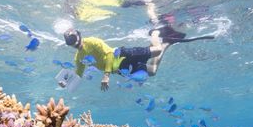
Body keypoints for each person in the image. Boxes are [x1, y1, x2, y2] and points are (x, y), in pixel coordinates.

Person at [63, 27, 214, 91]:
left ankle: (155, 32)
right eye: (71, 43)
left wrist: (106, 75)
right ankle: (168, 42)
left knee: (157, 50)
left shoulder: (92, 42)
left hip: (124, 55)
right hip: (121, 69)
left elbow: (109, 54)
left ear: (79, 35)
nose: (75, 44)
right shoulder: (79, 58)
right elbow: (78, 74)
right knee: (153, 71)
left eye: (75, 39)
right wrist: (66, 82)